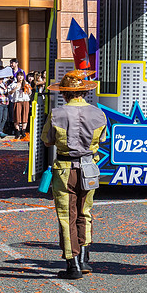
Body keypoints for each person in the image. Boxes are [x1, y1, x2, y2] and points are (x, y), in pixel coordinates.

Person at [40, 71, 107, 280]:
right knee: (84, 212)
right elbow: (102, 138)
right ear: (84, 92)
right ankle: (85, 257)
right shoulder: (98, 113)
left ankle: (73, 264)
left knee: (66, 216)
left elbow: (47, 140)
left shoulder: (57, 113)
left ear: (65, 94)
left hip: (65, 169)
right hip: (89, 166)